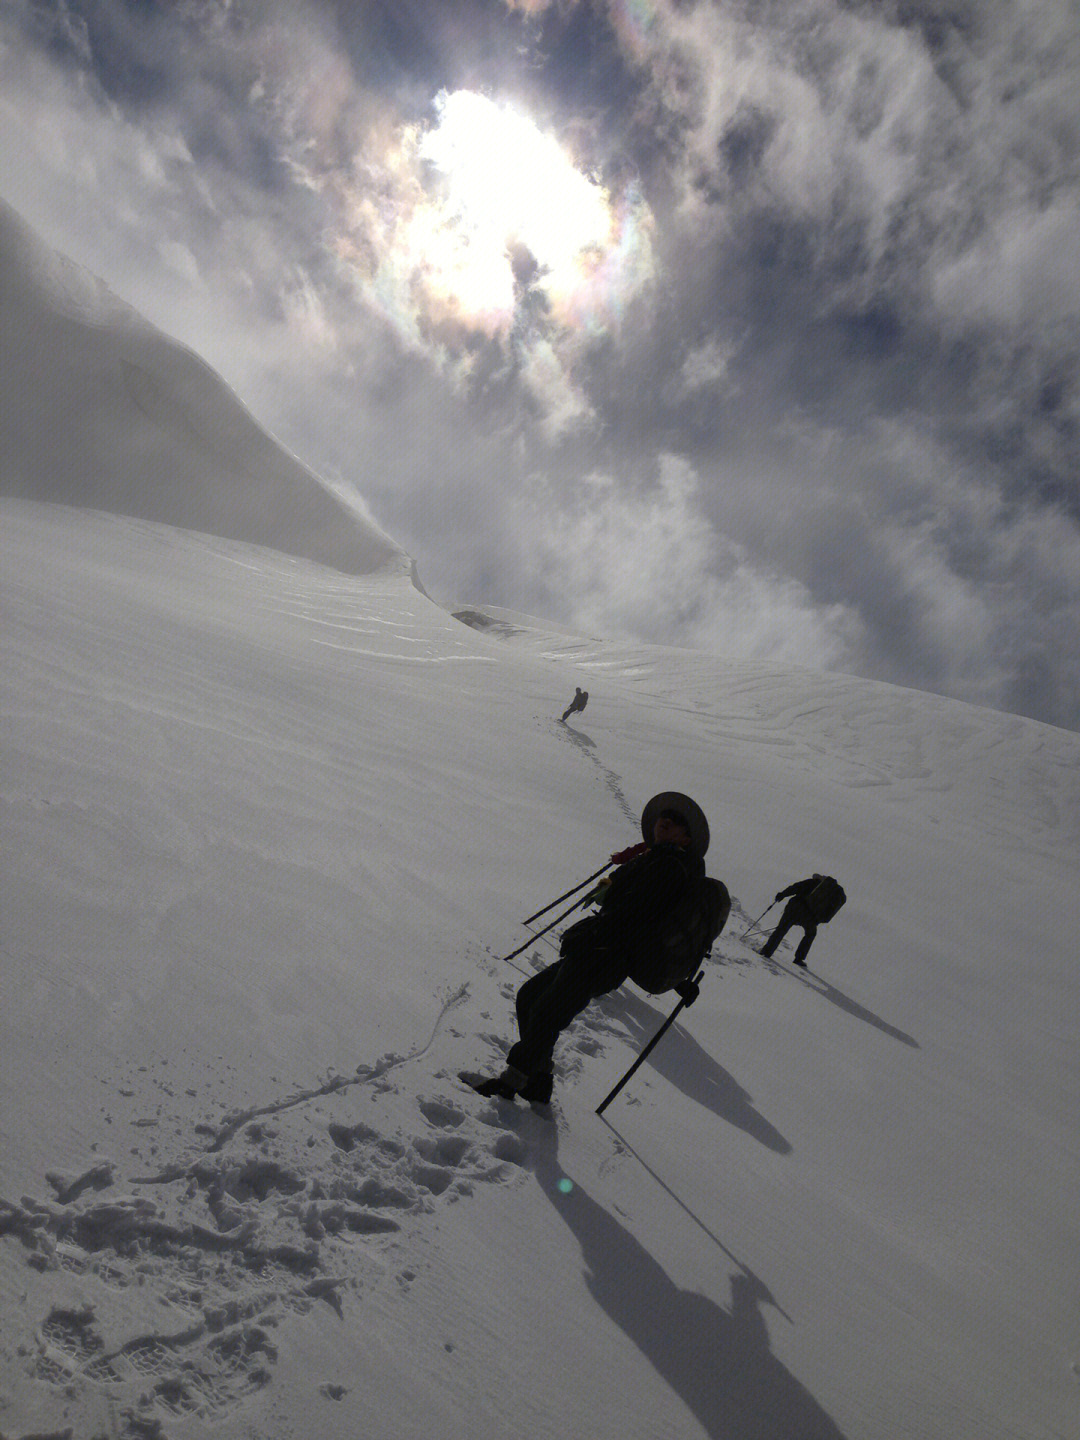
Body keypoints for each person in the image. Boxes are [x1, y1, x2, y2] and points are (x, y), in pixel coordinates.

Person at [464, 792, 710, 1104]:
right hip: (597, 948)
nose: (667, 821)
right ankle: (539, 1082)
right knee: (530, 998)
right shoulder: (655, 859)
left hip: (607, 954)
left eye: (677, 822)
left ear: (686, 838)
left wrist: (599, 921)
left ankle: (510, 1083)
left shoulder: (671, 868)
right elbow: (620, 897)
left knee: (546, 1011)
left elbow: (634, 913)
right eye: (666, 816)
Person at [759, 874, 844, 968]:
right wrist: (817, 920)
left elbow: (795, 887)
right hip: (809, 917)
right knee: (810, 934)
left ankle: (766, 952)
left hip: (794, 908)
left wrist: (782, 894)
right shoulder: (831, 894)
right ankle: (799, 959)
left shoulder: (812, 882)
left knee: (781, 930)